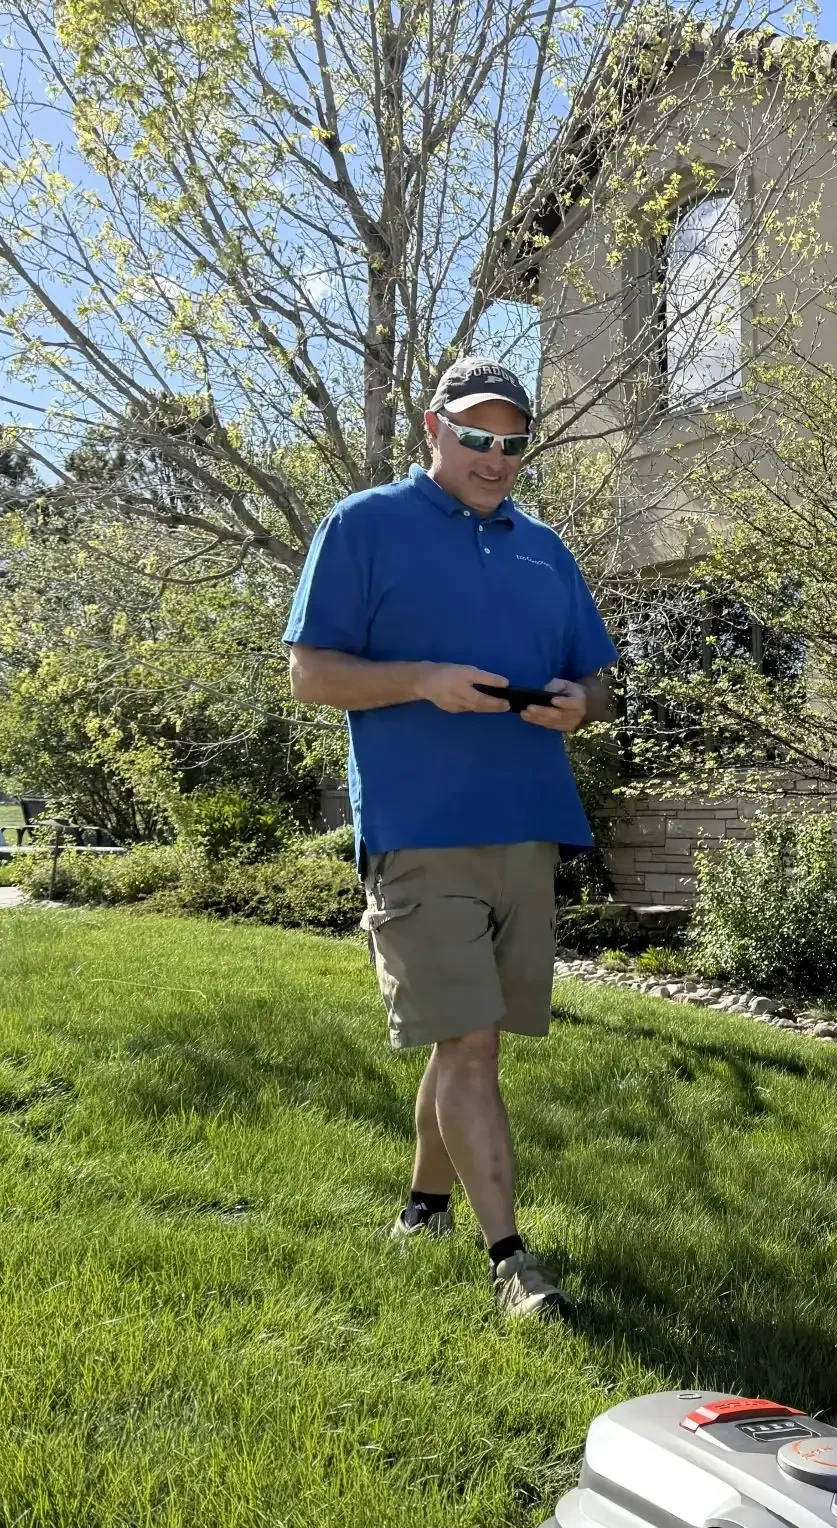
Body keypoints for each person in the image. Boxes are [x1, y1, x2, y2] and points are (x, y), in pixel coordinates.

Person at [285, 357, 616, 1320]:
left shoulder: (544, 548)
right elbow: (311, 674)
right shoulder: (362, 527)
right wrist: (421, 678)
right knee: (467, 1040)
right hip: (420, 829)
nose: (496, 456)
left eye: (514, 441)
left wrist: (576, 706)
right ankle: (512, 1260)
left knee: (473, 1043)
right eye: (477, 434)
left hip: (528, 825)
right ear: (434, 427)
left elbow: (597, 678)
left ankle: (422, 1209)